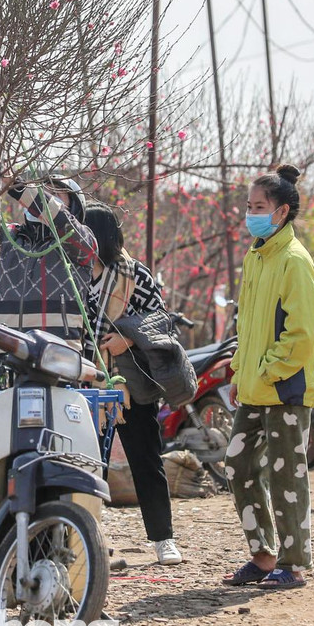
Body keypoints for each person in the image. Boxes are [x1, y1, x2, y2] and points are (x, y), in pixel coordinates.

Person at [221, 164, 314, 591]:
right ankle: (264, 555)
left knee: (287, 476)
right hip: (254, 387)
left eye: (258, 207)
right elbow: (248, 325)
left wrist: (268, 371)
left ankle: (294, 564)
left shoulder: (293, 260)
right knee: (238, 464)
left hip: (285, 388)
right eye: (248, 206)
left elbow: (304, 330)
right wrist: (239, 373)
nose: (250, 214)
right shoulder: (258, 255)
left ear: (281, 212)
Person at [82, 202, 181, 567]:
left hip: (129, 382)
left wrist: (127, 339)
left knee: (146, 460)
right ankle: (88, 537)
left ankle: (163, 539)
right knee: (88, 462)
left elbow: (161, 320)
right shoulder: (71, 273)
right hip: (85, 380)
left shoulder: (134, 273)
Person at [0, 136, 97, 347]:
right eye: (43, 190)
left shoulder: (82, 241)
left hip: (58, 360)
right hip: (6, 357)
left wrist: (14, 184)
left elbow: (59, 219)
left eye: (56, 194)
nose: (46, 196)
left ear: (74, 208)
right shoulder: (6, 238)